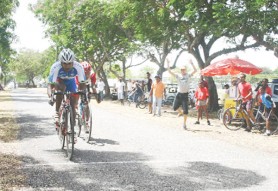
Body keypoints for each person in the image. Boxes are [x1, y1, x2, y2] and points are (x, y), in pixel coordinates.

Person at [47, 48, 86, 127]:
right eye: (64, 63)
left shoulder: (78, 66)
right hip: (59, 81)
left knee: (73, 103)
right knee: (61, 89)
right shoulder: (55, 67)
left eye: (69, 63)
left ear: (73, 62)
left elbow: (82, 84)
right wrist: (51, 96)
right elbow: (50, 85)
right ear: (60, 62)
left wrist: (81, 93)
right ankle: (57, 113)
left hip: (71, 81)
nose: (67, 66)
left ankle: (72, 129)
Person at [167, 58, 197, 130]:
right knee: (174, 108)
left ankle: (184, 124)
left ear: (185, 70)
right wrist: (168, 63)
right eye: (181, 70)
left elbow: (195, 70)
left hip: (185, 95)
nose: (183, 71)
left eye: (184, 69)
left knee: (186, 111)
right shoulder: (178, 76)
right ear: (180, 70)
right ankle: (180, 112)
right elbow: (169, 71)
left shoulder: (188, 75)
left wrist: (192, 63)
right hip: (179, 94)